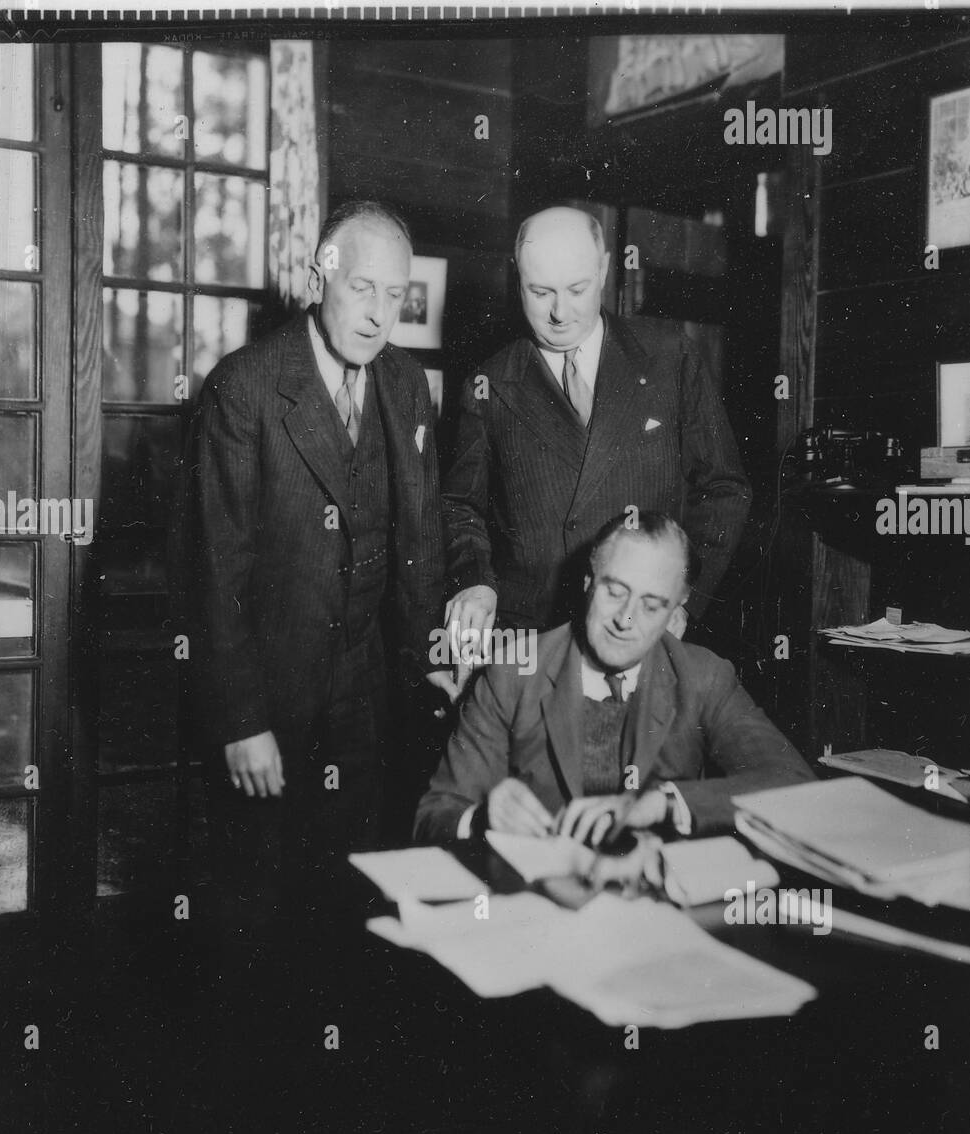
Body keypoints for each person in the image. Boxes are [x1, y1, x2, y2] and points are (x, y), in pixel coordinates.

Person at [182, 200, 455, 918]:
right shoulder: (244, 388)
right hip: (271, 701)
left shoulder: (404, 384)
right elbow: (215, 572)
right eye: (361, 287)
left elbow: (420, 542)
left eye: (394, 295)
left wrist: (430, 664)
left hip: (368, 699)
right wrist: (241, 722)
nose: (377, 314)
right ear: (319, 275)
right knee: (255, 903)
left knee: (350, 897)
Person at [442, 205, 751, 683]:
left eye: (578, 289)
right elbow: (462, 506)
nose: (559, 312)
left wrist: (681, 594)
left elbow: (725, 487)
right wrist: (476, 582)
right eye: (539, 291)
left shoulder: (669, 356)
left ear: (605, 270)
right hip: (533, 647)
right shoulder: (488, 384)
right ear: (515, 278)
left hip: (642, 634)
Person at [415, 512, 813, 847]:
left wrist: (664, 802)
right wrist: (482, 818)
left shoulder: (704, 676)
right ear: (588, 585)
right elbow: (435, 814)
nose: (626, 619)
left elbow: (796, 786)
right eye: (615, 591)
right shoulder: (513, 671)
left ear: (677, 610)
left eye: (651, 604)